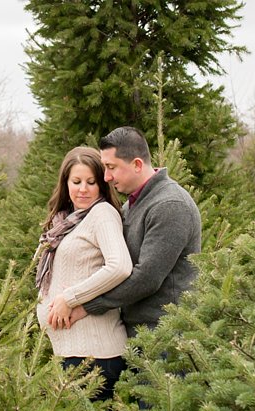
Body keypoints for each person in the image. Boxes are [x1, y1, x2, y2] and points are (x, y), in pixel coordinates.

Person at [53, 126, 201, 338]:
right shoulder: (131, 206)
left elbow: (146, 278)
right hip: (141, 334)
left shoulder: (170, 205)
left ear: (137, 164)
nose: (106, 177)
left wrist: (85, 305)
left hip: (169, 338)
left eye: (111, 167)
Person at [35, 146, 133, 411]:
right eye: (76, 182)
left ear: (102, 183)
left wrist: (70, 298)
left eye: (91, 182)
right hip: (73, 354)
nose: (83, 190)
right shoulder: (65, 222)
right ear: (65, 184)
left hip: (95, 357)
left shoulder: (101, 214)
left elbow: (120, 266)